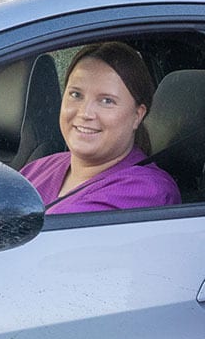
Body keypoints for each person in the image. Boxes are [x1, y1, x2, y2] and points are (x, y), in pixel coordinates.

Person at [21, 41, 180, 213]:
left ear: (137, 115)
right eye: (76, 94)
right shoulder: (39, 168)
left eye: (107, 101)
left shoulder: (146, 192)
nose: (85, 113)